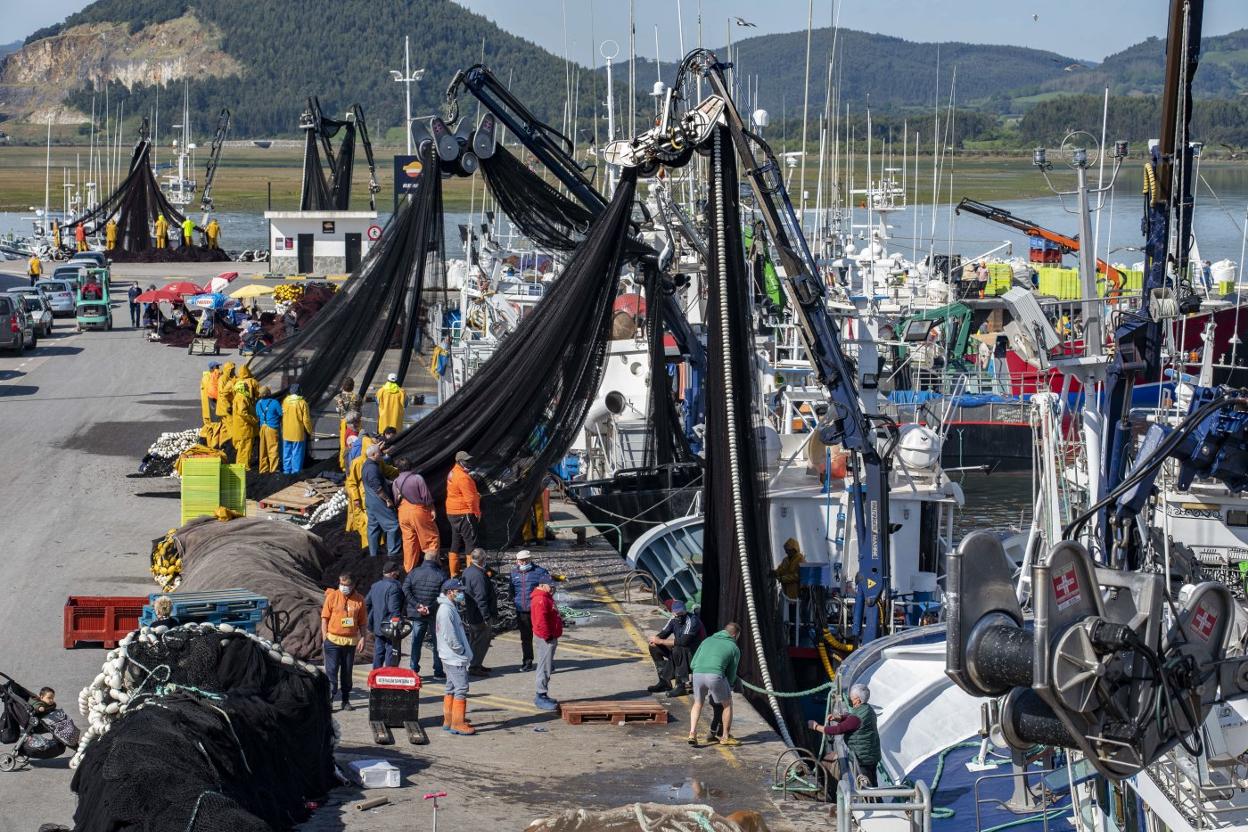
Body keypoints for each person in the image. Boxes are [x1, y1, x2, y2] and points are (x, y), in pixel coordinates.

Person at [809, 683, 881, 787]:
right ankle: (876, 799)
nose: (850, 699)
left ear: (857, 700)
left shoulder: (856, 718)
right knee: (873, 781)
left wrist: (815, 726)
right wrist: (839, 718)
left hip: (862, 758)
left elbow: (837, 729)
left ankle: (870, 801)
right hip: (872, 755)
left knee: (866, 784)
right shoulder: (868, 709)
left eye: (852, 697)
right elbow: (852, 718)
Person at [687, 622, 742, 747]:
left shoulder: (706, 640)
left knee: (698, 703)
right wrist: (731, 684)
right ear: (734, 635)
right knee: (727, 705)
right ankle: (725, 737)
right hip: (715, 675)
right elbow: (732, 673)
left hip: (697, 673)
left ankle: (692, 733)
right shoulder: (734, 647)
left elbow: (693, 663)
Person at [436, 578, 476, 735]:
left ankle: (449, 720)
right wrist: (461, 651)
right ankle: (457, 723)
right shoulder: (446, 611)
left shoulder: (448, 607)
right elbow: (450, 636)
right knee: (461, 688)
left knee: (451, 687)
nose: (461, 594)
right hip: (454, 657)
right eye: (459, 591)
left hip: (450, 656)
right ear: (450, 592)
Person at [321, 573, 365, 711]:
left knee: (347, 673)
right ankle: (329, 700)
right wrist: (325, 637)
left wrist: (363, 637)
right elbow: (324, 618)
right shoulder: (332, 597)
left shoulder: (359, 600)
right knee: (331, 672)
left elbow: (362, 622)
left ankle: (345, 700)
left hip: (350, 643)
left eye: (346, 585)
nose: (343, 587)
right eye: (341, 584)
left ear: (353, 585)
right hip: (332, 641)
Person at [403, 552, 448, 678]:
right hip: (434, 614)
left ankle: (413, 669)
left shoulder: (414, 572)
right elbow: (443, 595)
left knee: (416, 641)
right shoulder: (441, 574)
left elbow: (406, 589)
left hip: (418, 614)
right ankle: (438, 671)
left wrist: (417, 606)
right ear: (436, 560)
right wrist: (430, 607)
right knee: (437, 642)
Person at [647, 600, 704, 697]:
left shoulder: (692, 620)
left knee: (679, 648)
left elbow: (684, 641)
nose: (679, 616)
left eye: (681, 613)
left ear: (685, 611)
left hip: (695, 654)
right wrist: (655, 640)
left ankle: (680, 685)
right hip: (682, 651)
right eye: (677, 613)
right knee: (654, 647)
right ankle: (664, 682)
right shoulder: (673, 619)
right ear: (673, 613)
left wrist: (661, 641)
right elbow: (664, 633)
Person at [394, 458, 439, 572]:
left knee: (409, 542)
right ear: (411, 466)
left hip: (403, 512)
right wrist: (432, 509)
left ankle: (409, 570)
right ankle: (432, 568)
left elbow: (396, 500)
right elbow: (426, 497)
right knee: (430, 539)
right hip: (418, 511)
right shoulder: (417, 478)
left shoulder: (396, 481)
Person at [510, 550, 553, 672]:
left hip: (538, 611)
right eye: (521, 560)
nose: (523, 562)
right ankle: (527, 662)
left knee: (544, 636)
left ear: (530, 559)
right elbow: (512, 591)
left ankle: (548, 663)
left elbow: (549, 590)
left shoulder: (540, 572)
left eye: (526, 560)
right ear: (517, 561)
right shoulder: (513, 573)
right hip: (522, 611)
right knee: (525, 638)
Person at [461, 549, 497, 677]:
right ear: (482, 559)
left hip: (472, 613)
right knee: (482, 640)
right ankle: (475, 666)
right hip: (479, 615)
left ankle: (475, 663)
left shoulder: (468, 571)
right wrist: (486, 616)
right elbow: (481, 597)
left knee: (475, 640)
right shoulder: (478, 575)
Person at [446, 450, 482, 578]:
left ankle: (453, 573)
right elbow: (470, 499)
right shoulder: (463, 478)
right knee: (470, 542)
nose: (469, 462)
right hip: (464, 512)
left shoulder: (452, 472)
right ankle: (471, 575)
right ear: (459, 461)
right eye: (466, 460)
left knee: (455, 542)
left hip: (452, 511)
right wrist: (477, 512)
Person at [530, 579, 563, 711]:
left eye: (555, 586)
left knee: (546, 666)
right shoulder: (541, 600)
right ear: (542, 585)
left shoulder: (545, 597)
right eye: (551, 586)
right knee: (544, 666)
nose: (553, 589)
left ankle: (542, 694)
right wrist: (548, 636)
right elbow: (540, 622)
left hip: (548, 637)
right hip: (546, 638)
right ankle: (541, 695)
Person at [363, 443, 401, 559]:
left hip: (370, 501)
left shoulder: (368, 465)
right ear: (374, 455)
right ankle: (393, 553)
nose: (382, 455)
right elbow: (378, 488)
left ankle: (373, 554)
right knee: (393, 525)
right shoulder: (372, 468)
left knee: (374, 527)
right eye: (380, 453)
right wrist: (388, 500)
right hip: (378, 501)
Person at [365, 560, 405, 669]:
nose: (398, 574)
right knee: (391, 652)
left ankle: (376, 675)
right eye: (397, 572)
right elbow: (394, 608)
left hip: (378, 625)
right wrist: (397, 624)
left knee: (378, 651)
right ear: (393, 573)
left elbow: (367, 603)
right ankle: (389, 676)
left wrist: (371, 618)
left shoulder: (375, 586)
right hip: (390, 626)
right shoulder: (394, 587)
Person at [344, 435, 373, 547]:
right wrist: (356, 497)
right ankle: (366, 544)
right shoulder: (358, 461)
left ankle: (352, 529)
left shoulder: (358, 459)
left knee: (355, 514)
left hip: (359, 493)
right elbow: (352, 482)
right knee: (362, 518)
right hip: (360, 494)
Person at [281, 383, 313, 474]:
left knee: (286, 452)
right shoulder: (302, 403)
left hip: (286, 432)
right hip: (297, 433)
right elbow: (306, 420)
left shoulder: (285, 401)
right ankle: (295, 472)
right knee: (297, 453)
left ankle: (286, 471)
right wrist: (309, 430)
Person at [335, 378, 362, 471]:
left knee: (344, 443)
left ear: (343, 386)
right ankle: (355, 462)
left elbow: (338, 411)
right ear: (353, 386)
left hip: (344, 423)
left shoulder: (339, 397)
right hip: (356, 423)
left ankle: (343, 465)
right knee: (356, 442)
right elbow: (359, 409)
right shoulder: (357, 397)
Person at [255, 386, 283, 474]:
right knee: (273, 448)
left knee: (263, 449)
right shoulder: (275, 402)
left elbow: (258, 415)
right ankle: (273, 469)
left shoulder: (258, 403)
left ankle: (263, 469)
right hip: (272, 428)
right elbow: (281, 414)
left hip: (262, 427)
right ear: (268, 393)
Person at [200, 362, 221, 426]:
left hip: (211, 401)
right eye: (217, 367)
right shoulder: (209, 378)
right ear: (212, 368)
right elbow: (213, 392)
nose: (218, 369)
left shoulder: (212, 376)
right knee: (213, 419)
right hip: (211, 401)